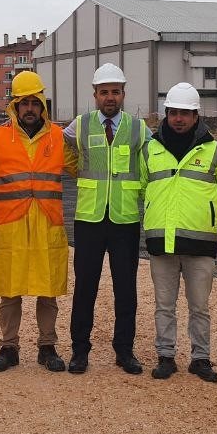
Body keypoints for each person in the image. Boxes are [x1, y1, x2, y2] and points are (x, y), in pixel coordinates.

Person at [0, 71, 78, 373]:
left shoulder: (57, 137)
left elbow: (80, 168)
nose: (30, 108)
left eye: (34, 102)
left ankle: (48, 346)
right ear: (14, 107)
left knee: (48, 290)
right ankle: (9, 347)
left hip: (47, 223)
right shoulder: (0, 137)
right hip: (11, 224)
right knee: (10, 290)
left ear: (42, 104)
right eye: (23, 103)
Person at [63, 62, 151, 375]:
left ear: (124, 94)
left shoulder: (139, 129)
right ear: (95, 95)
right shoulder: (81, 125)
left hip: (125, 220)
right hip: (89, 219)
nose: (110, 97)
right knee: (85, 287)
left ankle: (124, 351)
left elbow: (152, 162)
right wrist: (75, 170)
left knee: (125, 289)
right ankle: (79, 351)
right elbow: (63, 149)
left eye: (115, 92)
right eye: (104, 92)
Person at [143, 83, 217, 382]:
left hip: (200, 244)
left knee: (200, 307)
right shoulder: (150, 149)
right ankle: (166, 356)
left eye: (185, 113)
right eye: (174, 113)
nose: (179, 118)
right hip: (162, 242)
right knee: (164, 306)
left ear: (197, 116)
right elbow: (143, 189)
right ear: (166, 114)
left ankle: (200, 358)